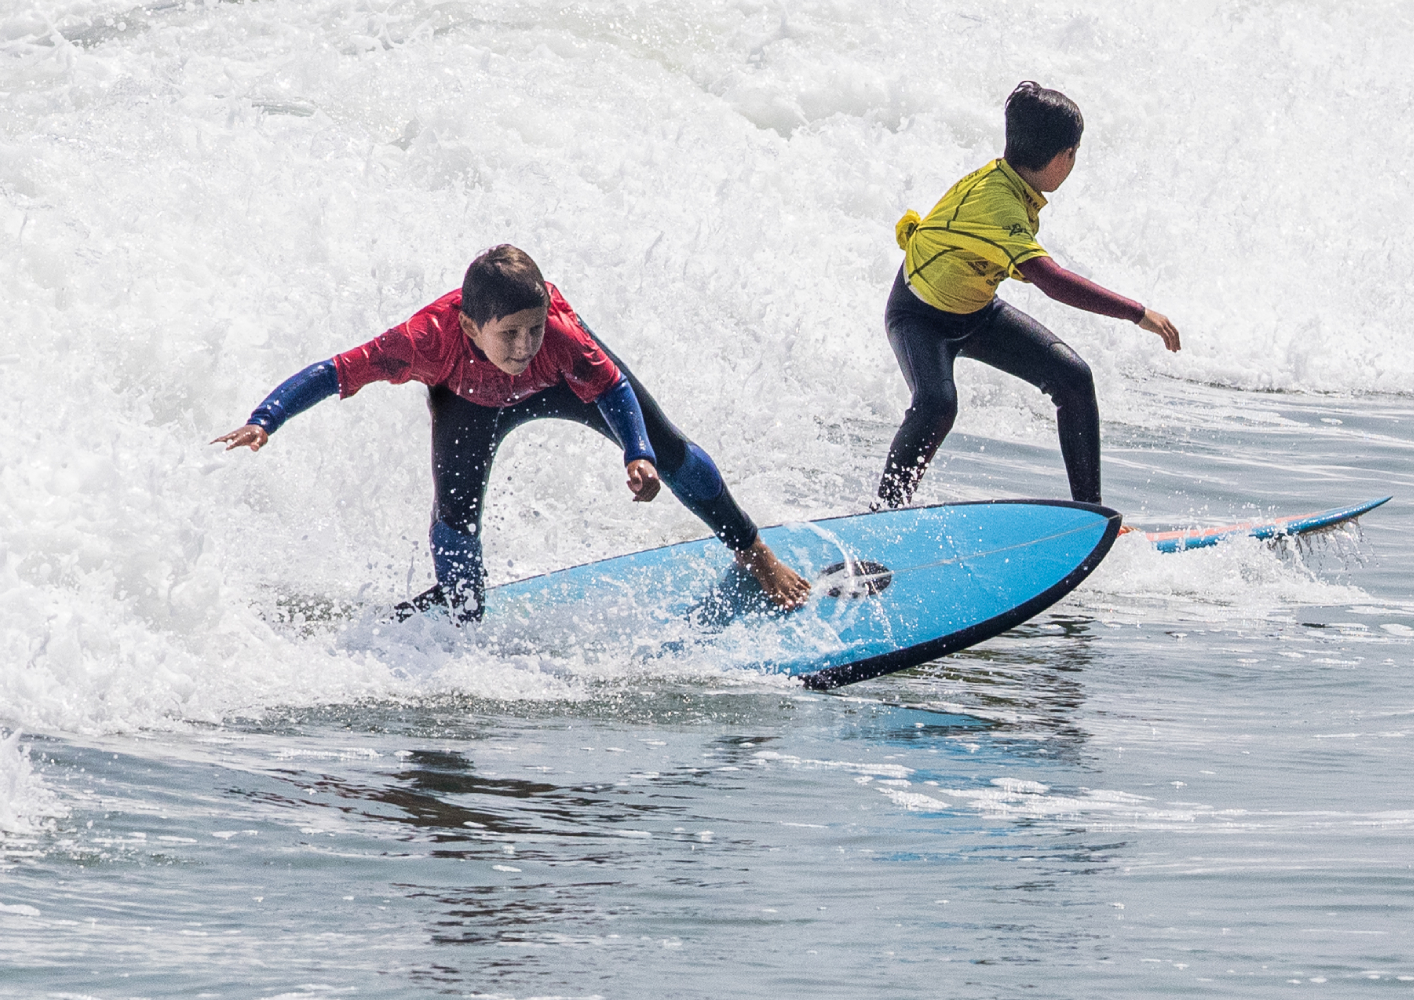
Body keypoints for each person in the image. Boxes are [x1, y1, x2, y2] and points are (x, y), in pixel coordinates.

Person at [214, 244, 809, 621]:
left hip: (566, 384)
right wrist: (265, 419)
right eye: (510, 335)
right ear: (471, 326)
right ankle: (462, 617)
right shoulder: (423, 341)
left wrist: (637, 454)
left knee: (670, 450)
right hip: (468, 398)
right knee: (455, 513)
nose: (524, 347)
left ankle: (754, 553)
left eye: (534, 328)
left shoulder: (559, 341)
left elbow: (613, 390)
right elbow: (336, 371)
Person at [880, 81, 1182, 509]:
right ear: (1065, 156)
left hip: (975, 312)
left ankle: (1088, 516)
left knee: (1073, 379)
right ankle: (885, 514)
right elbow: (1052, 281)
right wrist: (1138, 313)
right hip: (919, 316)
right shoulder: (997, 202)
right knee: (936, 404)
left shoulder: (1010, 182)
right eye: (1075, 154)